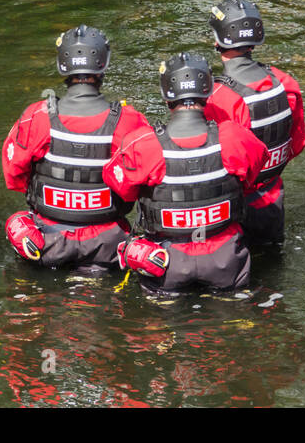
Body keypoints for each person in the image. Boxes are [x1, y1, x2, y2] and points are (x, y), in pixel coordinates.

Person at [106, 52, 268, 293]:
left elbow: (121, 190)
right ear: (208, 90)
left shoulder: (142, 143)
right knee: (232, 316)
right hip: (224, 259)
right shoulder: (234, 136)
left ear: (165, 94)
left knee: (162, 320)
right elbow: (256, 171)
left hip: (165, 261)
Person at [0, 25, 150, 272]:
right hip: (109, 246)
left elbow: (13, 177)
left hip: (46, 243)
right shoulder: (130, 120)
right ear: (103, 65)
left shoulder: (36, 116)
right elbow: (144, 185)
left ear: (62, 66)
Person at [203, 0, 305, 245]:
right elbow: (297, 143)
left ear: (218, 40)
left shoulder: (216, 97)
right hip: (272, 201)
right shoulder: (285, 82)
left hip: (232, 211)